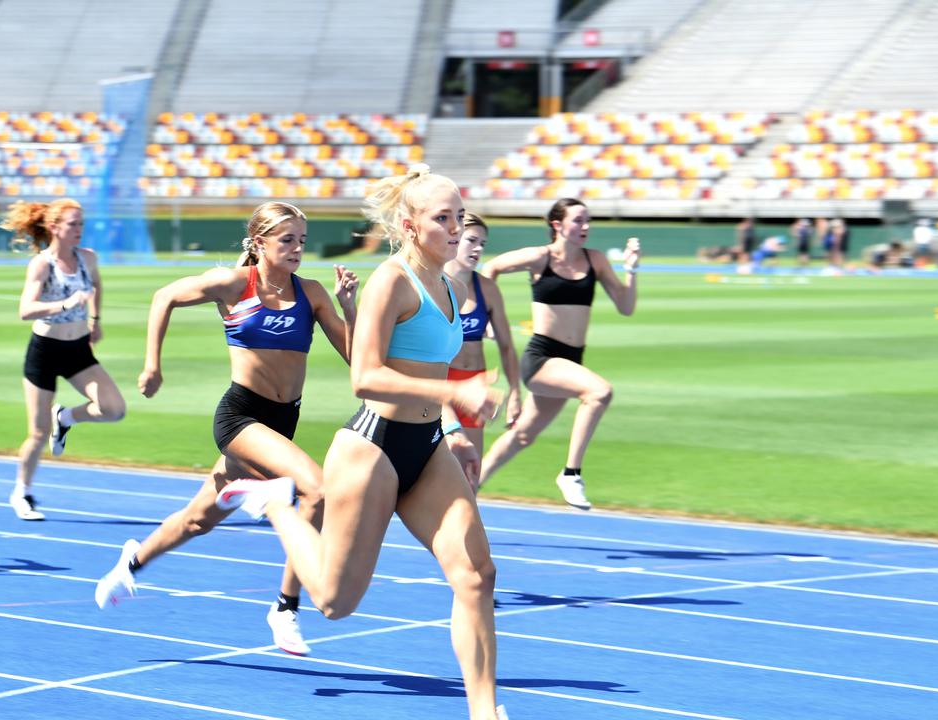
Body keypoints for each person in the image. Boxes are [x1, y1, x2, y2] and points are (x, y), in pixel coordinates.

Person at [215, 166, 509, 719]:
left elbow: (428, 367)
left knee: (476, 575)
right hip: (372, 449)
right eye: (442, 218)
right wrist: (456, 393)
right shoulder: (391, 280)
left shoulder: (450, 283)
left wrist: (450, 428)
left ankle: (485, 711)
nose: (455, 227)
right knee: (332, 602)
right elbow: (366, 375)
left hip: (426, 446)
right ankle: (275, 505)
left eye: (459, 216)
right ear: (410, 225)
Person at [94, 201, 359, 657]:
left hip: (280, 424)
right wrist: (152, 365)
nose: (297, 248)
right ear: (259, 244)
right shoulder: (236, 285)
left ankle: (131, 563)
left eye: (301, 240)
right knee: (314, 489)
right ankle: (285, 607)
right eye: (286, 240)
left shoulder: (312, 293)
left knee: (198, 519)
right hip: (241, 418)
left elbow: (358, 362)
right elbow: (165, 297)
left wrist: (348, 307)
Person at [476, 198, 640, 510]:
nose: (585, 227)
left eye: (587, 220)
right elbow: (493, 266)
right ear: (557, 225)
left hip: (571, 359)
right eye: (578, 220)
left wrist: (631, 269)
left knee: (522, 436)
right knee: (599, 392)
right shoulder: (541, 257)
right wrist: (486, 315)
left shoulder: (596, 260)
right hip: (542, 359)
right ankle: (571, 473)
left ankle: (470, 484)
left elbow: (626, 306)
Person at [1, 198, 125, 521]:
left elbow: (96, 285)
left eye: (81, 224)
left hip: (78, 349)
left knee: (114, 409)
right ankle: (22, 493)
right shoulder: (42, 264)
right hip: (44, 350)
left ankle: (66, 418)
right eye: (73, 224)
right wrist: (66, 305)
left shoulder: (88, 258)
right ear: (55, 228)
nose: (79, 230)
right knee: (38, 433)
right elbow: (25, 310)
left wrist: (95, 321)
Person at [442, 212, 521, 489]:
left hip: (475, 386)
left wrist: (515, 392)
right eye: (471, 240)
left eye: (482, 244)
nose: (478, 249)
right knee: (431, 474)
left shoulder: (486, 289)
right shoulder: (433, 284)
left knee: (469, 480)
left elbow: (507, 346)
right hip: (439, 387)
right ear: (453, 238)